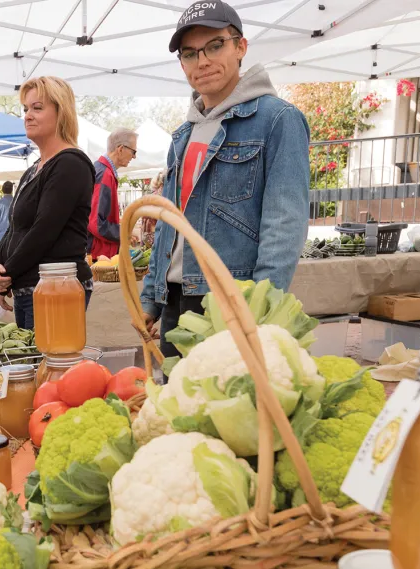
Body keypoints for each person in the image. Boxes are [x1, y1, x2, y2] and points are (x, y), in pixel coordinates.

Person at [140, 0, 310, 360]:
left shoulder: (277, 120)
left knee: (228, 409)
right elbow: (169, 224)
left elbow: (285, 224)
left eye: (214, 46)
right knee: (178, 410)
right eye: (189, 54)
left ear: (240, 47)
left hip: (232, 300)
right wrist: (151, 300)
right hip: (176, 300)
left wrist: (261, 307)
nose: (202, 61)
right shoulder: (182, 135)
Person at [0, 76, 95, 329]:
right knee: (33, 365)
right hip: (31, 288)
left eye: (37, 108)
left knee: (47, 365)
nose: (28, 115)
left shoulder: (70, 164)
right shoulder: (34, 169)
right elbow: (15, 228)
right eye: (25, 109)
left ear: (61, 113)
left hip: (57, 289)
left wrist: (6, 275)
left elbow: (43, 231)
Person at [88, 128, 138, 259]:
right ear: (120, 149)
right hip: (98, 254)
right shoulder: (105, 174)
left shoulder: (102, 170)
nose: (134, 156)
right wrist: (123, 233)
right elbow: (96, 223)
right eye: (133, 152)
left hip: (98, 252)